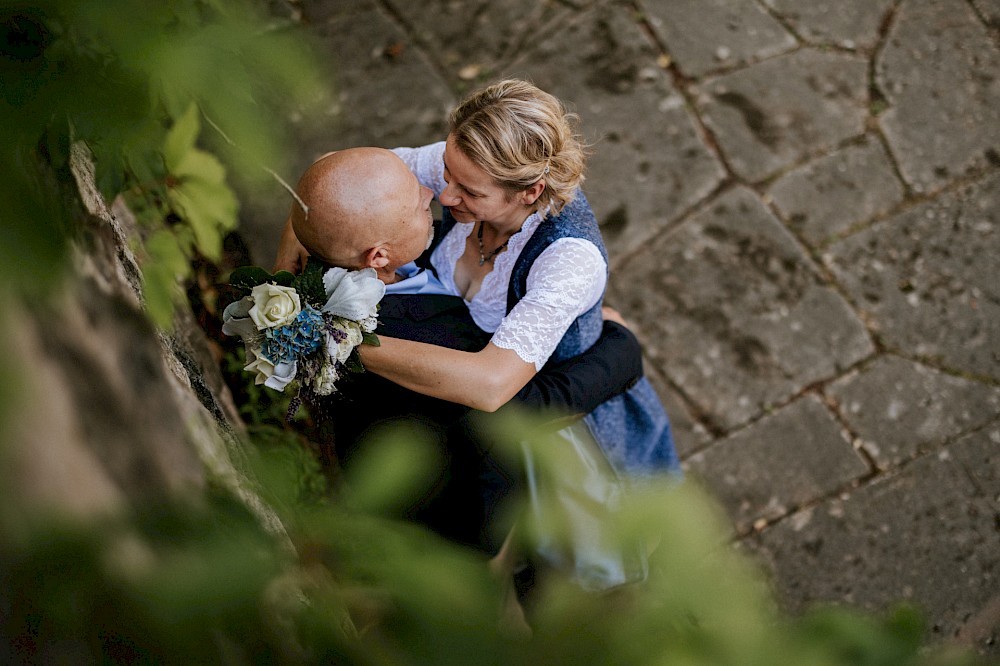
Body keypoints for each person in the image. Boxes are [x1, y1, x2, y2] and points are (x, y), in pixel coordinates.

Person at [276, 79, 679, 480]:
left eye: (468, 191)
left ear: (529, 191)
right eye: (447, 173)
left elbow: (491, 384)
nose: (443, 196)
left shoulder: (569, 259)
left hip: (552, 408)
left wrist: (337, 340)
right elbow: (336, 186)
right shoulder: (464, 168)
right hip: (453, 390)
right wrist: (281, 285)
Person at [280, 147, 646, 557]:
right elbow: (524, 406)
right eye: (418, 206)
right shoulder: (438, 345)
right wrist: (622, 348)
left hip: (376, 448)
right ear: (378, 256)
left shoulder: (320, 261)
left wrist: (288, 248)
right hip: (456, 496)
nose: (430, 193)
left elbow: (329, 180)